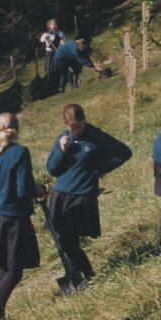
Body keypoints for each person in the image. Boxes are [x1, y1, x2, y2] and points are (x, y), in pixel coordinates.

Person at [46, 104, 132, 280]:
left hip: (82, 194)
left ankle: (89, 275)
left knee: (68, 241)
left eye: (79, 125)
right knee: (67, 240)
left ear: (84, 119)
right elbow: (52, 169)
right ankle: (75, 275)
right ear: (65, 124)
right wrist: (61, 151)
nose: (76, 130)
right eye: (72, 127)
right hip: (61, 194)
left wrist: (100, 168)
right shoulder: (63, 138)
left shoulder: (96, 137)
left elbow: (124, 152)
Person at [0, 113, 42, 320]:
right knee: (15, 272)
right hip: (14, 217)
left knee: (5, 267)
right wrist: (37, 189)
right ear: (16, 128)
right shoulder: (20, 152)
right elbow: (23, 189)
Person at [40, 19, 67, 93]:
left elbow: (64, 43)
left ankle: (62, 88)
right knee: (49, 71)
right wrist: (45, 36)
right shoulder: (47, 33)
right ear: (49, 26)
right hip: (49, 53)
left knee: (60, 69)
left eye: (56, 24)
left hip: (57, 52)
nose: (55, 26)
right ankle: (50, 89)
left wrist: (61, 39)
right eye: (53, 24)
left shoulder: (60, 33)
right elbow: (41, 40)